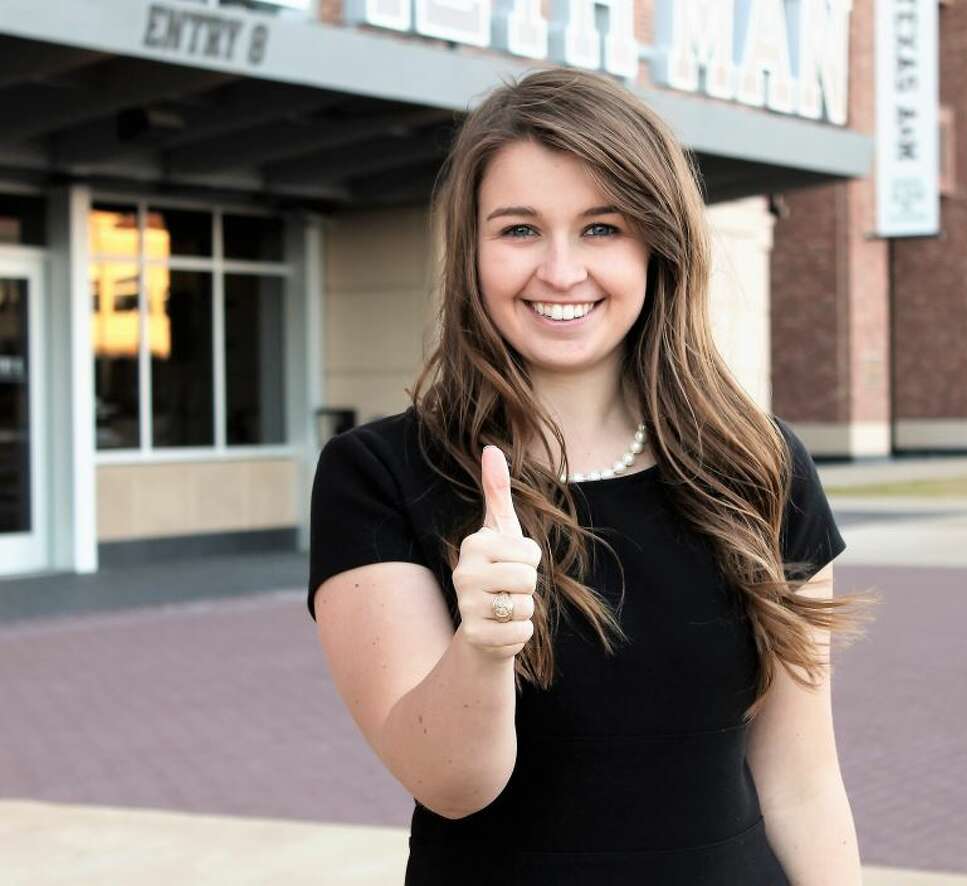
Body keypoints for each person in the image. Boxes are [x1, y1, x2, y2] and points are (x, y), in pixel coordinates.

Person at [306, 65, 876, 885]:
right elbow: (453, 786)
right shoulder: (379, 475)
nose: (562, 271)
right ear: (470, 252)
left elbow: (803, 782)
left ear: (658, 242)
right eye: (520, 230)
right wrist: (485, 641)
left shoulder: (760, 465)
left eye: (602, 228)